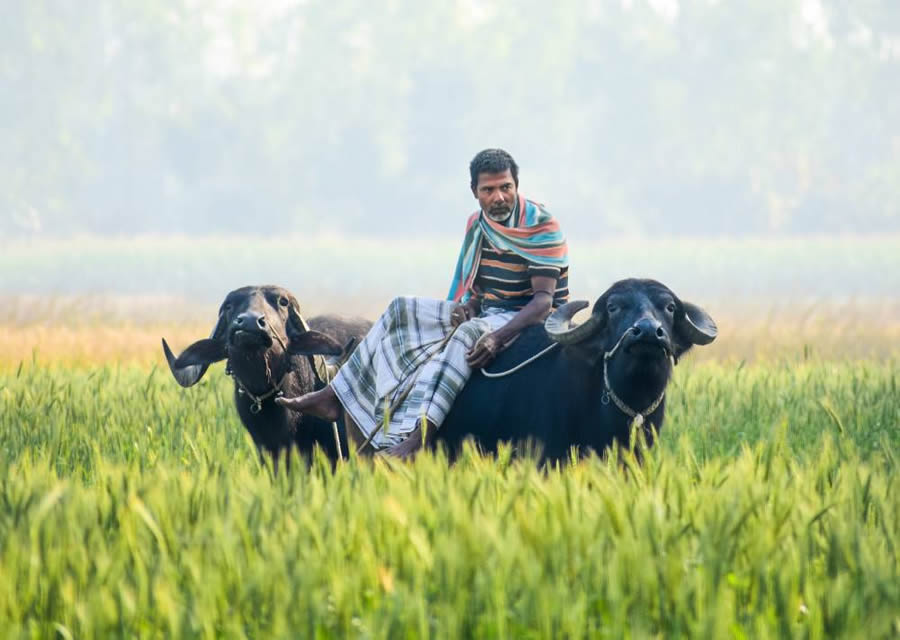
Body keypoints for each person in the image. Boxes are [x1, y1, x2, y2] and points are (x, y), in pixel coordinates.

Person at [276, 149, 569, 457]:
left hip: (522, 314)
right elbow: (477, 287)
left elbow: (542, 302)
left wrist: (496, 338)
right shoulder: (478, 224)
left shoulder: (541, 227)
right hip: (488, 310)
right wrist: (468, 305)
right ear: (475, 192)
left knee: (465, 337)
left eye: (505, 187)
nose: (499, 197)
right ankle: (335, 395)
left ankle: (418, 440)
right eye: (489, 189)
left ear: (516, 185)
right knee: (400, 308)